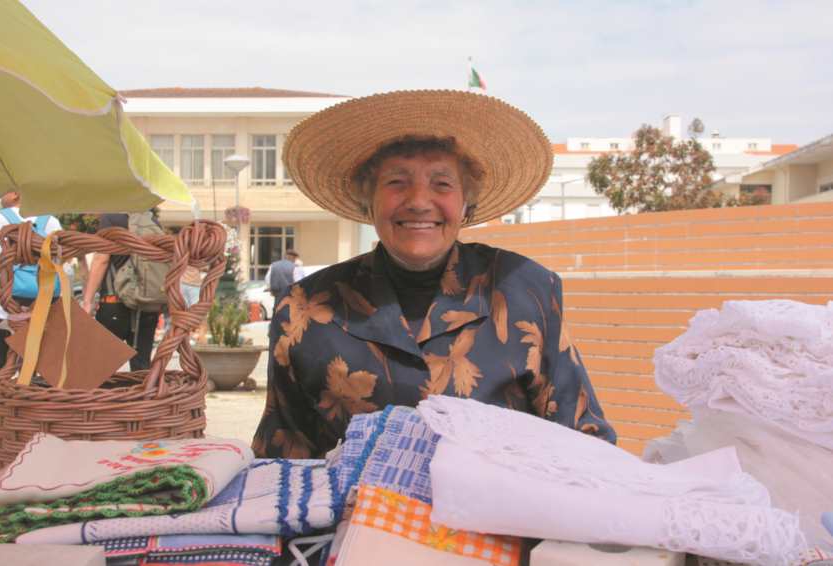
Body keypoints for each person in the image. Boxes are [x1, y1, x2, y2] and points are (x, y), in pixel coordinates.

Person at [252, 90, 615, 459]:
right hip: (354, 515)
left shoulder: (523, 288)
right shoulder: (304, 308)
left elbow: (583, 440)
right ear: (368, 199)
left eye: (442, 183)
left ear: (466, 203)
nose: (420, 201)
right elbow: (281, 460)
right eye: (396, 182)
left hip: (500, 515)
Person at [0, 192, 62, 422]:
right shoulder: (51, 222)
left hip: (4, 303)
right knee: (37, 358)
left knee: (1, 360)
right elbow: (57, 262)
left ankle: (2, 409)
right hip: (42, 302)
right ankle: (35, 407)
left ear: (15, 193)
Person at [80, 213, 160, 371]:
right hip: (146, 303)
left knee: (100, 368)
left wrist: (87, 300)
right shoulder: (151, 220)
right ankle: (142, 395)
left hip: (115, 301)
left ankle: (104, 396)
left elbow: (101, 260)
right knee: (141, 366)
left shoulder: (111, 218)